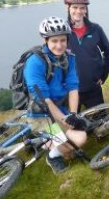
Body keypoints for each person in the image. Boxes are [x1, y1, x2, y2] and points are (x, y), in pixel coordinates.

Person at [24, 17, 88, 174]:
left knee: (77, 141)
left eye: (63, 40)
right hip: (41, 112)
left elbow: (73, 87)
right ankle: (51, 156)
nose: (59, 45)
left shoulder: (68, 58)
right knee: (71, 148)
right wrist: (66, 121)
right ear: (45, 40)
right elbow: (44, 99)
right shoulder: (35, 62)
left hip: (60, 111)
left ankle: (46, 141)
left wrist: (72, 114)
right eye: (54, 41)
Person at [64, 0, 109, 110]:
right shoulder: (62, 32)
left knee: (100, 122)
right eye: (75, 7)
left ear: (86, 9)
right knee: (74, 125)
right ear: (68, 8)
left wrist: (103, 76)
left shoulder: (95, 29)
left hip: (93, 89)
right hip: (71, 90)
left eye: (82, 8)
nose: (78, 11)